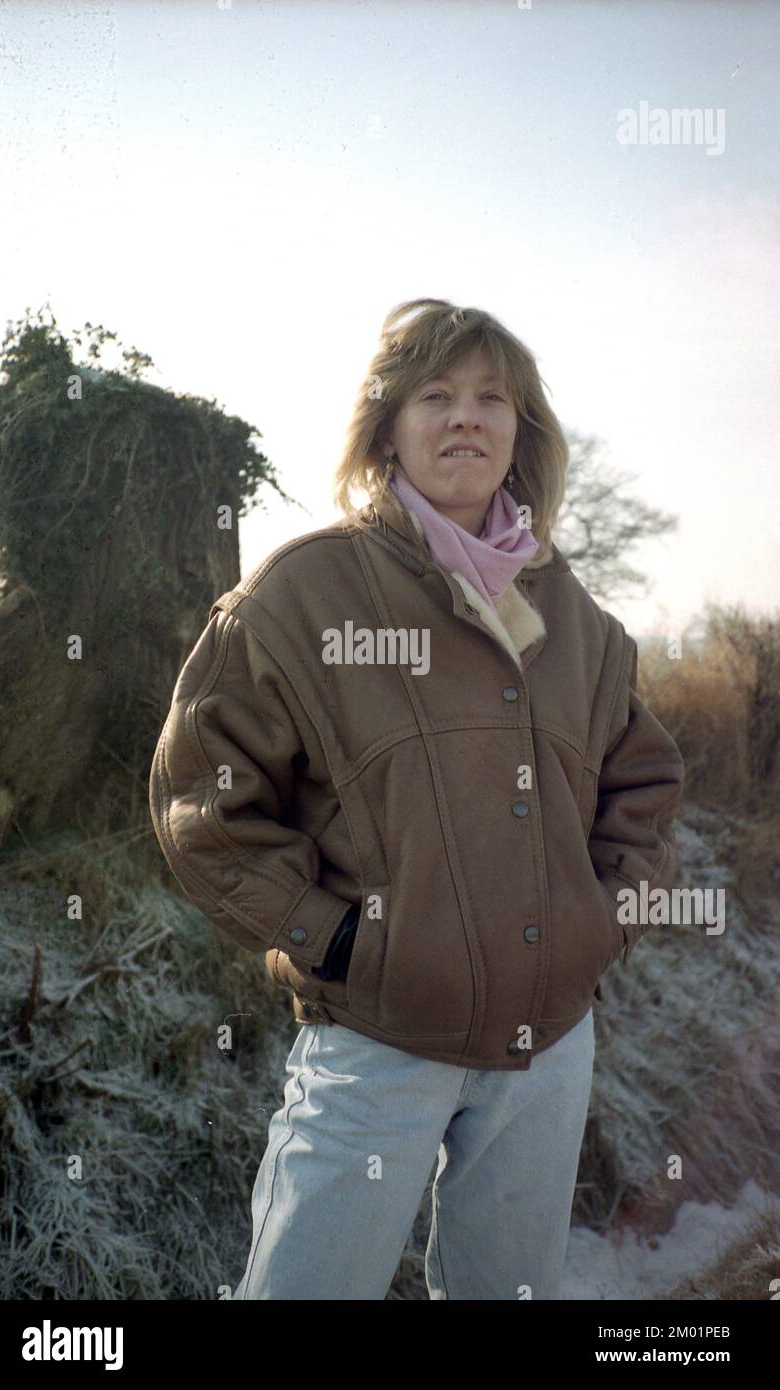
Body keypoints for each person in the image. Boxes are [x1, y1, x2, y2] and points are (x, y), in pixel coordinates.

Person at [148, 297, 685, 1300]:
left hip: (550, 1046)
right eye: (434, 395)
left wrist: (600, 923)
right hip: (376, 1040)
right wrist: (338, 940)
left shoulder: (579, 619)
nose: (465, 418)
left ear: (522, 432)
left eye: (492, 398)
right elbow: (203, 805)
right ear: (386, 425)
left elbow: (644, 790)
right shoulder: (300, 595)